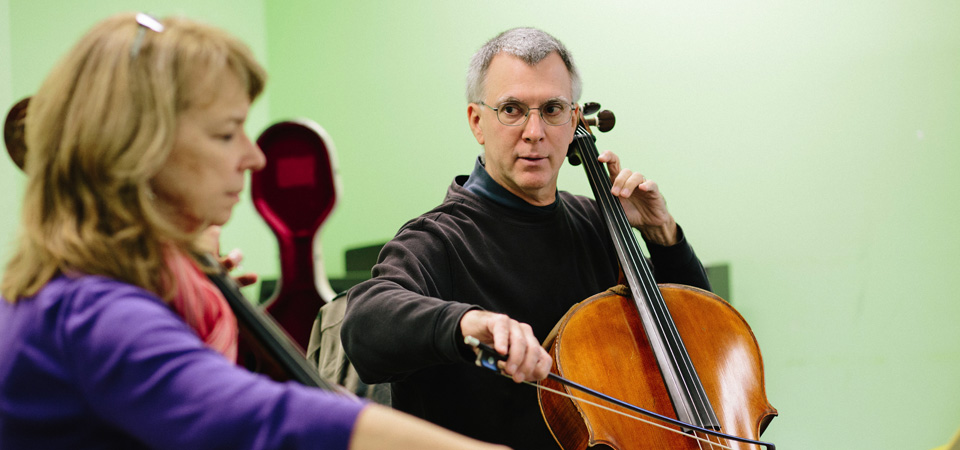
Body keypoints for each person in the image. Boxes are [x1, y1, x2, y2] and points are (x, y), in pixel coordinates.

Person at [0, 13, 508, 450]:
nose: (255, 156)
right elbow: (269, 419)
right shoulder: (91, 314)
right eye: (226, 133)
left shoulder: (114, 288)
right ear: (136, 152)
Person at [340, 27, 714, 449]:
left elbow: (699, 349)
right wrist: (466, 322)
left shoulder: (599, 223)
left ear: (574, 121)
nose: (534, 131)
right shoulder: (438, 239)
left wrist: (664, 239)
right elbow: (364, 327)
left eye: (552, 109)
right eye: (513, 109)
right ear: (477, 122)